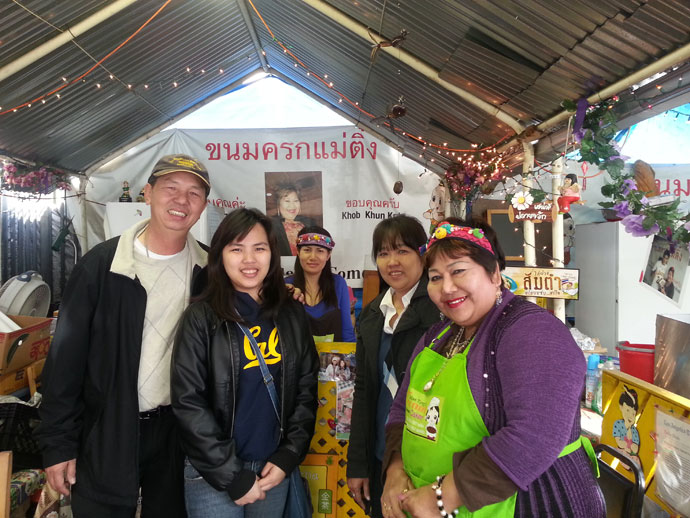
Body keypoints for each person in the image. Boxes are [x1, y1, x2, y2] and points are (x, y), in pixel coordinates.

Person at [381, 218, 604, 518]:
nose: (447, 287)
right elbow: (402, 408)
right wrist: (395, 469)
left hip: (532, 503)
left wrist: (442, 497)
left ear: (495, 274)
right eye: (435, 277)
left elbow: (535, 435)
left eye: (458, 271)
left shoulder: (532, 331)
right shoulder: (438, 335)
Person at [36, 154, 212, 517]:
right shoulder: (101, 266)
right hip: (107, 427)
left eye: (194, 193)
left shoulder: (210, 271)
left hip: (178, 432)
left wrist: (288, 295)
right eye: (171, 188)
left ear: (203, 206)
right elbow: (65, 361)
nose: (182, 200)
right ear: (148, 193)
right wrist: (58, 445)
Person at [170, 207, 319, 517]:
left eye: (259, 248)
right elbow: (188, 402)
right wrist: (231, 475)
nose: (249, 260)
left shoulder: (290, 313)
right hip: (213, 475)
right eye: (237, 249)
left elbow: (306, 390)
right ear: (220, 256)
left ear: (272, 255)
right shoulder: (201, 318)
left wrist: (288, 456)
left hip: (271, 469)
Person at [346, 215, 439, 518]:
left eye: (402, 251)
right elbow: (364, 390)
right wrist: (358, 463)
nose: (392, 262)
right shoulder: (373, 314)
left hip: (428, 457)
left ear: (422, 255)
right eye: (384, 253)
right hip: (379, 453)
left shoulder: (439, 311)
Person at [285, 226, 356, 342]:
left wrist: (351, 353)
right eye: (307, 250)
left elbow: (347, 332)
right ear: (298, 252)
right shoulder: (287, 287)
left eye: (320, 251)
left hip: (334, 354)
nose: (313, 257)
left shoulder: (338, 284)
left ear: (328, 255)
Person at [271, 183, 316, 256]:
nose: (292, 205)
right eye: (287, 201)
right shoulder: (271, 226)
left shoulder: (310, 223)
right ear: (278, 205)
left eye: (296, 201)